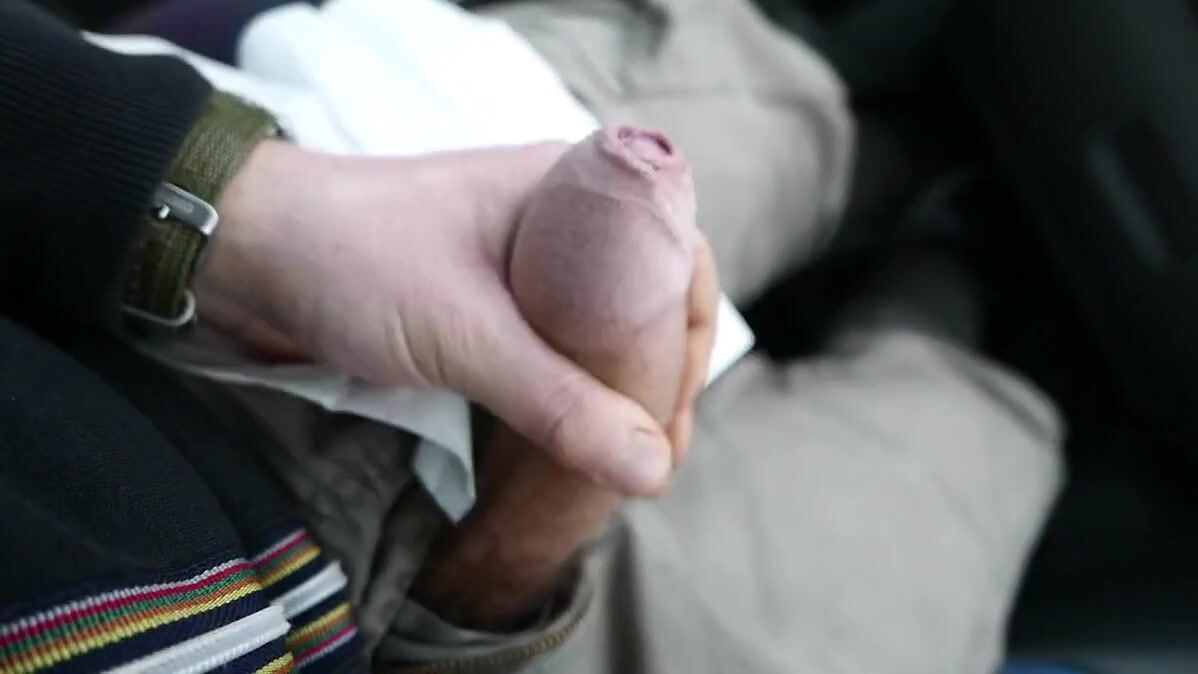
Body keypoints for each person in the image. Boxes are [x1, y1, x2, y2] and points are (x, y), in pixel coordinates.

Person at [2, 1, 1066, 674]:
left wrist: (199, 197)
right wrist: (490, 583)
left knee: (762, 118)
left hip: (144, 296)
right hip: (395, 638)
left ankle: (888, 160)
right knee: (952, 461)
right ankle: (964, 272)